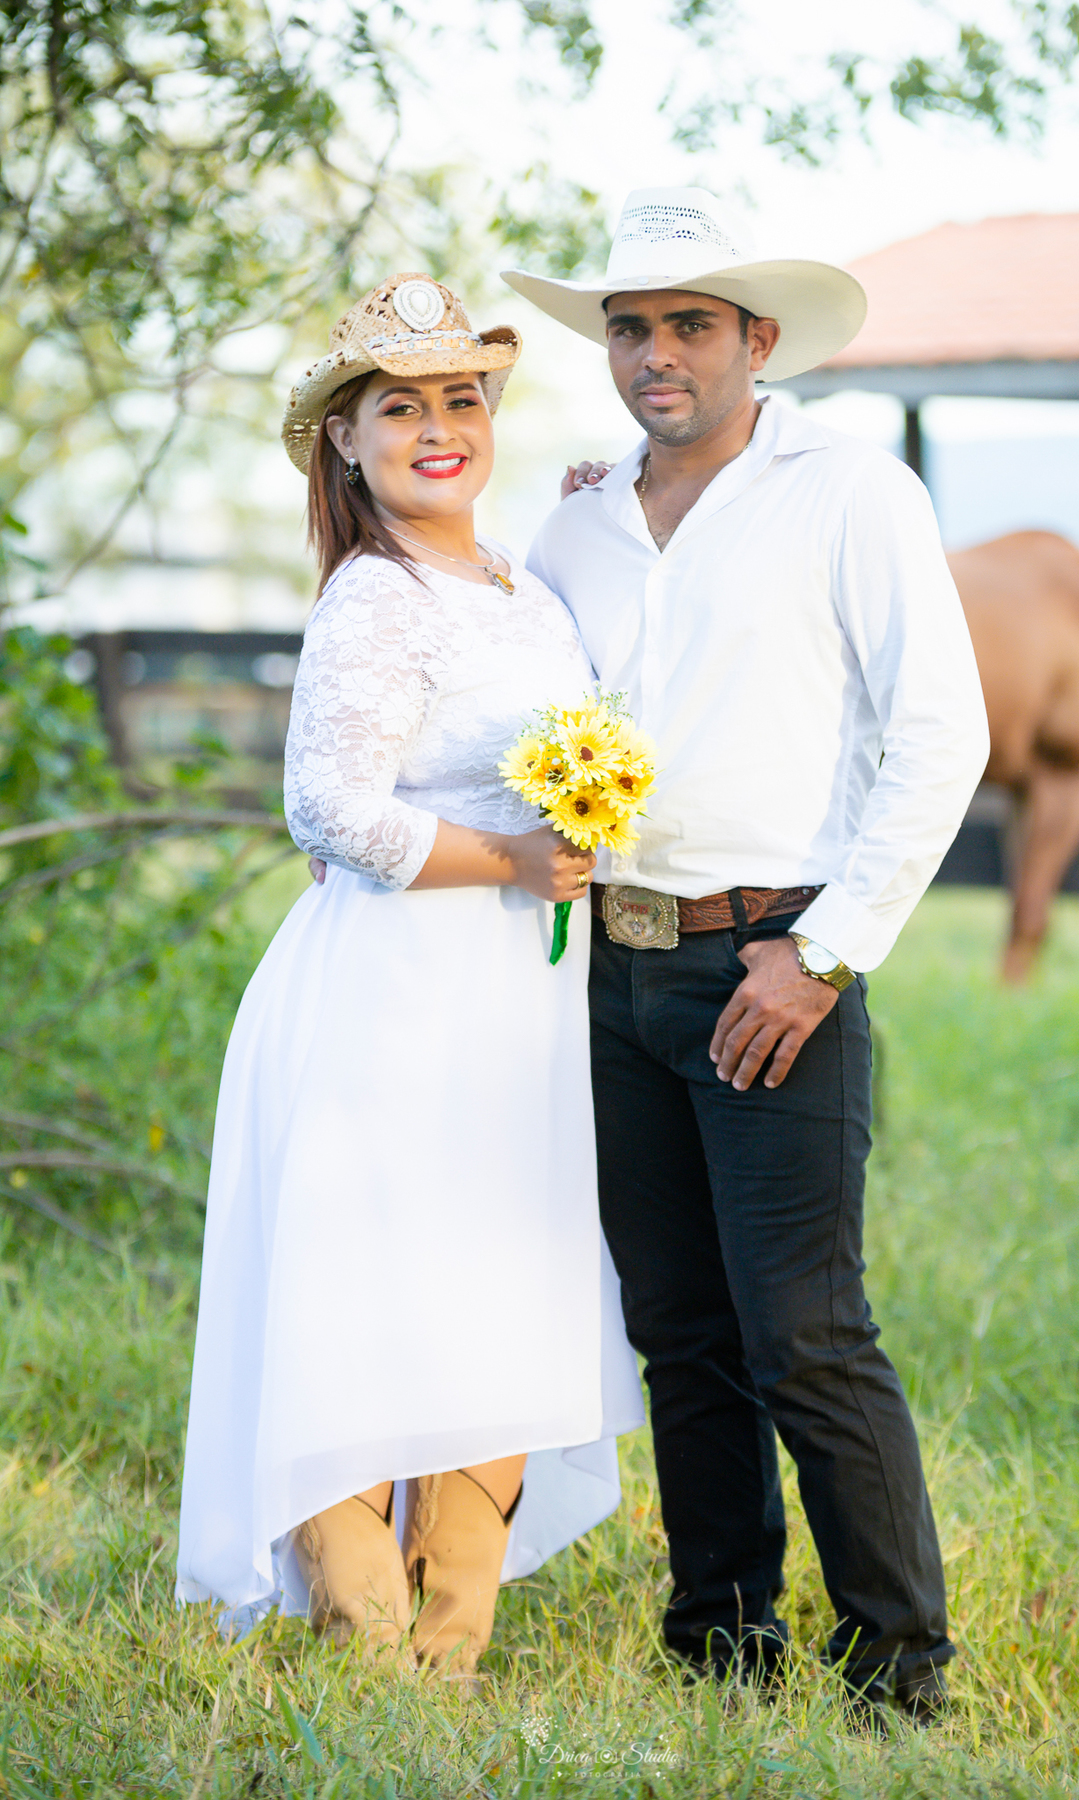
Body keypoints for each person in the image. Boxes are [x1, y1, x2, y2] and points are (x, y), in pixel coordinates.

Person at [501, 188, 990, 1715]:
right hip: (612, 972)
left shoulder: (851, 495)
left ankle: (899, 1667)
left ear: (757, 339)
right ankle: (719, 1637)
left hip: (772, 964)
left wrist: (821, 956)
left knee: (806, 1333)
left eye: (690, 324)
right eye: (630, 327)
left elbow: (940, 735)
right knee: (681, 1330)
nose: (656, 353)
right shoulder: (575, 521)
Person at [175, 274, 643, 1677]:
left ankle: (454, 1638)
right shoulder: (375, 597)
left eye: (460, 399)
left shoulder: (522, 586)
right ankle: (371, 1638)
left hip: (519, 1003)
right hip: (391, 997)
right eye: (400, 407)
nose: (439, 429)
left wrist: (601, 497)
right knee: (370, 1290)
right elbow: (326, 810)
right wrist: (513, 860)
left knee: (496, 1282)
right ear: (347, 437)